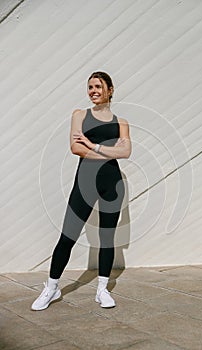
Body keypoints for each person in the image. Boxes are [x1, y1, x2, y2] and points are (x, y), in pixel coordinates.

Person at [31, 71, 131, 311]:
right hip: (85, 181)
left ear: (110, 89)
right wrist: (108, 151)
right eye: (90, 87)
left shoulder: (121, 123)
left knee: (107, 239)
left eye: (98, 86)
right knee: (68, 236)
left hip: (112, 183)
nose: (93, 90)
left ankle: (102, 290)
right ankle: (52, 288)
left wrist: (93, 145)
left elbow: (126, 152)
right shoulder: (79, 115)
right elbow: (76, 148)